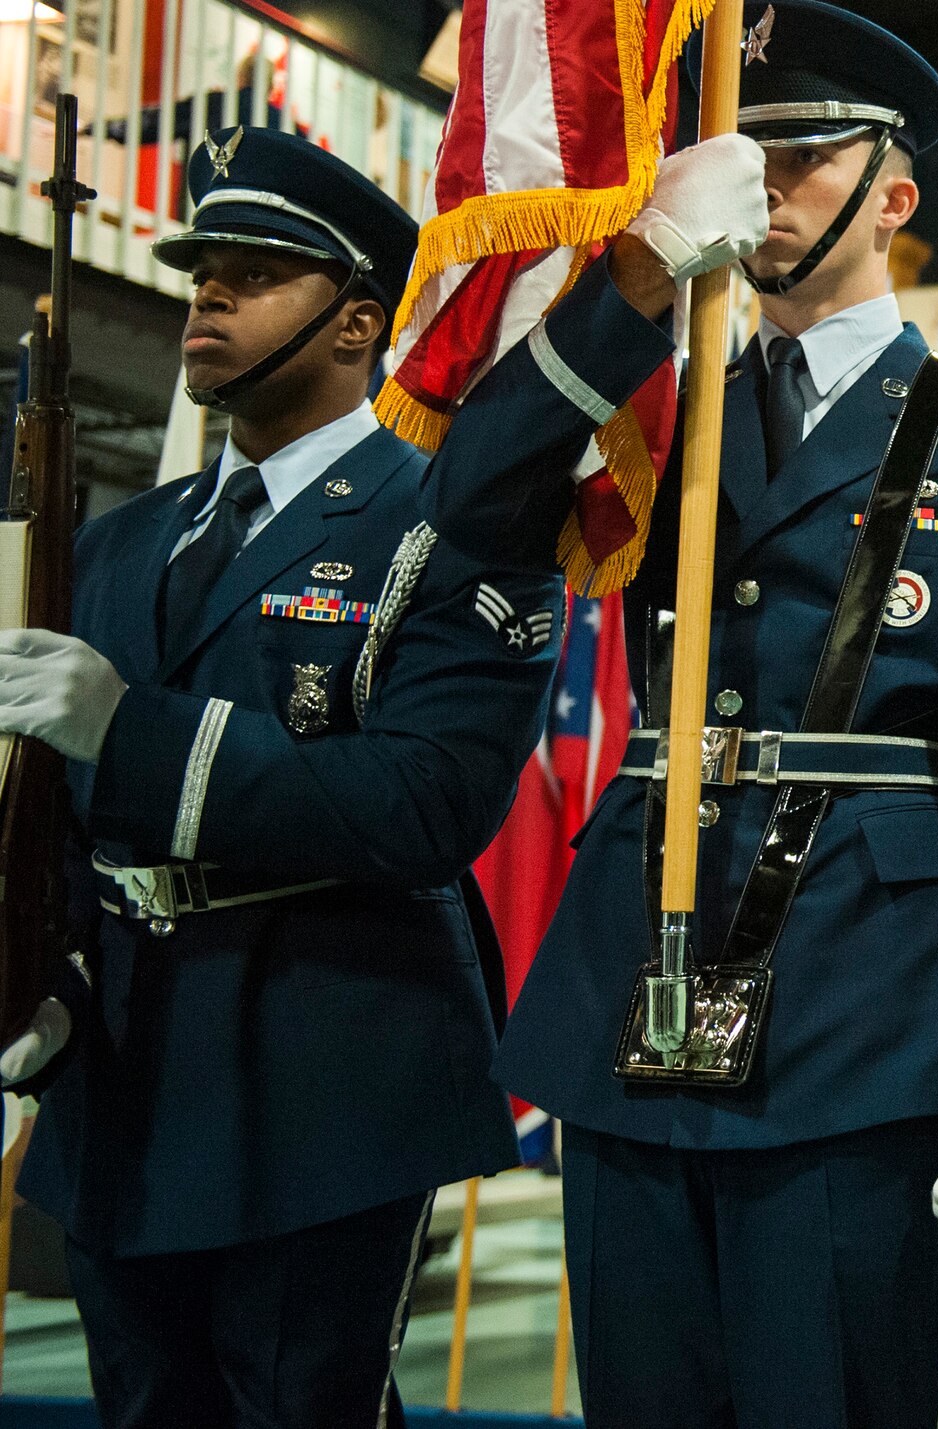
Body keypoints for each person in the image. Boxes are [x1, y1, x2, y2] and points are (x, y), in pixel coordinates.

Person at [420, 3, 938, 1423]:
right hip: (636, 982)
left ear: (894, 191)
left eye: (802, 153)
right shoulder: (658, 410)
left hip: (864, 1008)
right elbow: (468, 504)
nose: (771, 183)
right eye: (746, 152)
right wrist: (632, 280)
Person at [0, 128, 582, 1428]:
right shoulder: (121, 538)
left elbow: (425, 806)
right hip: (125, 1066)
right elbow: (48, 810)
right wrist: (38, 978)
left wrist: (137, 736)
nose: (207, 293)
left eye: (253, 271)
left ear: (355, 323)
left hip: (324, 1060)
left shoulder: (450, 518)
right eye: (203, 268)